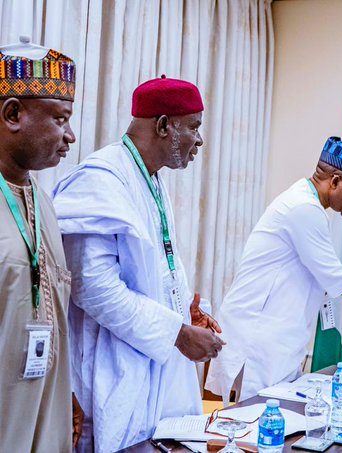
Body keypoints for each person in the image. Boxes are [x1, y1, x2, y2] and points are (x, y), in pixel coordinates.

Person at [52, 76, 224, 452]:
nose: (199, 140)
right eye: (193, 127)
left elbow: (154, 268)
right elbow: (93, 288)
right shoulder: (101, 180)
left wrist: (185, 311)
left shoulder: (149, 178)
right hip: (112, 372)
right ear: (163, 126)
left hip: (152, 370)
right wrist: (177, 333)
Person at [205, 137, 342, 402]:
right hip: (260, 337)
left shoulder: (308, 204)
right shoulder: (303, 208)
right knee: (257, 418)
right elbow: (334, 276)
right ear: (335, 181)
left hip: (277, 336)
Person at [0, 39, 85, 452]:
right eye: (59, 118)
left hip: (45, 417)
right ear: (13, 114)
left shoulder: (44, 203)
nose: (70, 136)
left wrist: (65, 389)